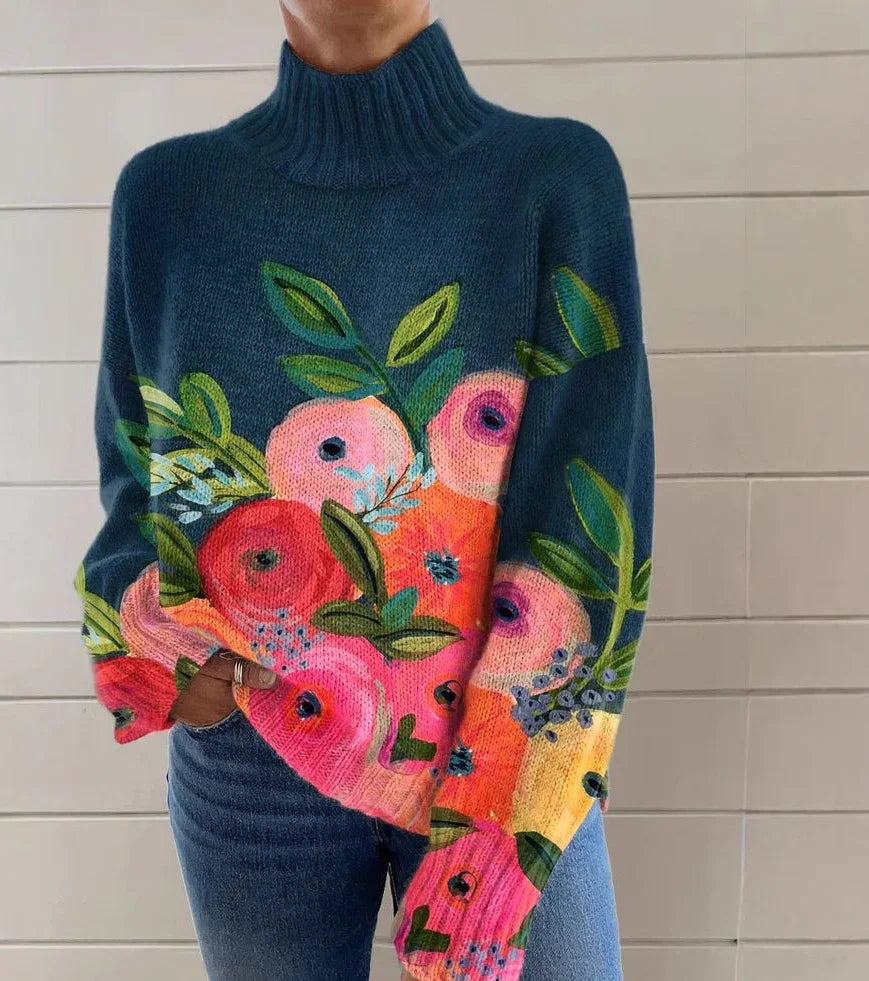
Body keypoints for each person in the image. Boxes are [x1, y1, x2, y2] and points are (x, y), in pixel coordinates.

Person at [72, 3, 655, 979]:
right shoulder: (170, 199)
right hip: (254, 762)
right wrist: (163, 649)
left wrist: (502, 811)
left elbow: (592, 519)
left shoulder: (555, 180)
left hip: (511, 746)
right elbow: (136, 482)